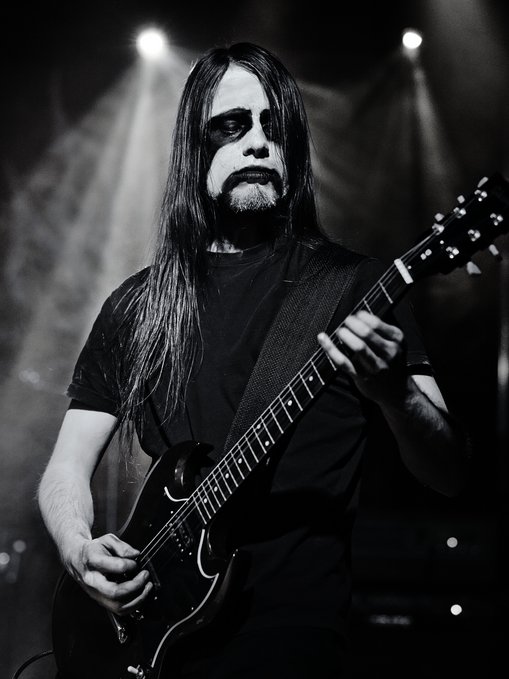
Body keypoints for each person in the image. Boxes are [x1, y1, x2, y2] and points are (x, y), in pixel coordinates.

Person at [38, 42, 469, 678]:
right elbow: (66, 467)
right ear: (194, 148)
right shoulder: (138, 306)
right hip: (149, 638)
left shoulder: (355, 289)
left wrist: (396, 394)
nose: (259, 143)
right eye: (232, 125)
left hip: (290, 642)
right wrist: (79, 549)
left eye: (275, 127)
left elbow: (450, 472)